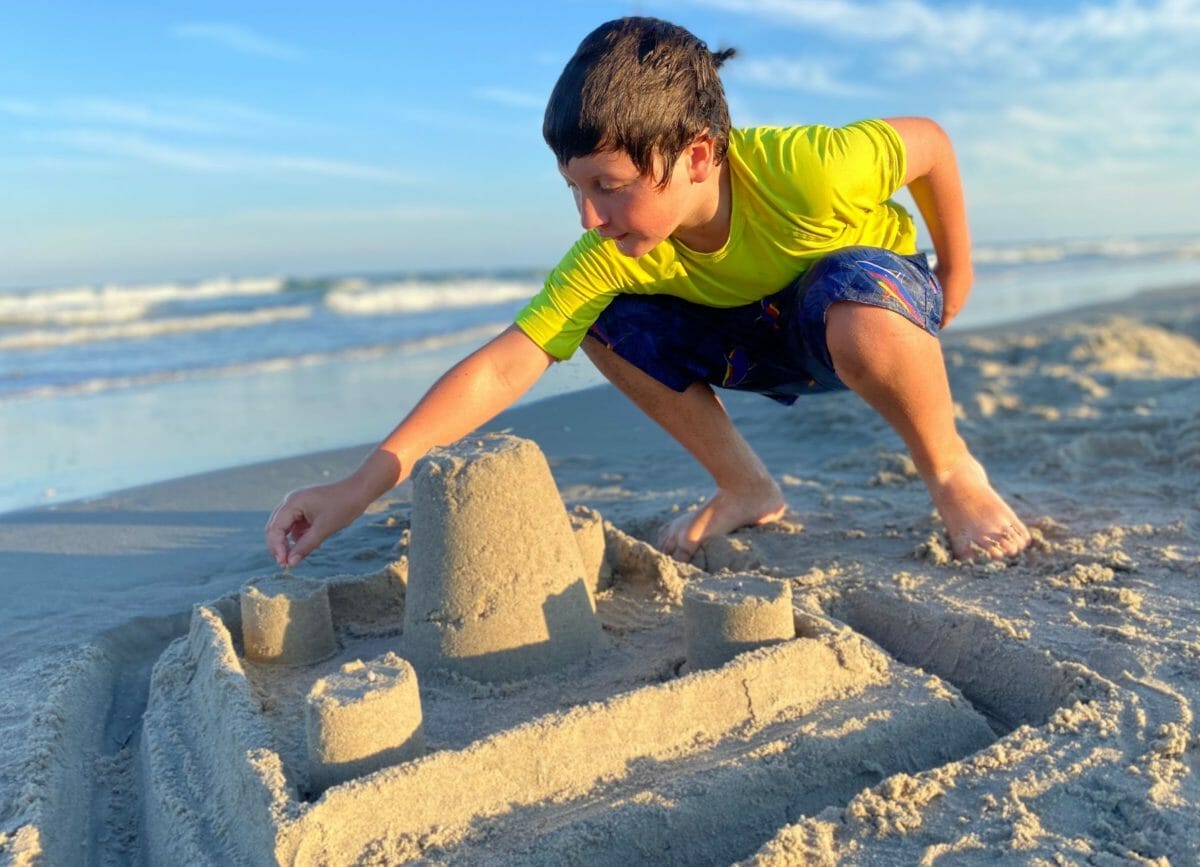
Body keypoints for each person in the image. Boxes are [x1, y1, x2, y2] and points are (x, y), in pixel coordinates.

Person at [266, 16, 1031, 569]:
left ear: (697, 155)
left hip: (872, 317)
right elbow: (506, 364)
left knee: (847, 292)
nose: (590, 216)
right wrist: (358, 487)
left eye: (610, 186)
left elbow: (929, 143)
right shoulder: (614, 251)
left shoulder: (811, 167)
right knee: (605, 320)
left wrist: (957, 270)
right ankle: (745, 485)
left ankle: (952, 469)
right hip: (757, 340)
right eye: (575, 189)